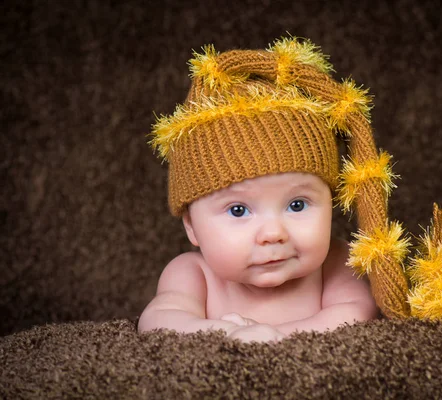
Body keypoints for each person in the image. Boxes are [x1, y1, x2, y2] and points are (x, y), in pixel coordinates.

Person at [138, 37, 413, 342]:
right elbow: (157, 319)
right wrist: (223, 333)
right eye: (238, 210)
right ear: (191, 226)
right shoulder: (192, 274)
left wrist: (271, 335)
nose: (273, 233)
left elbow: (355, 314)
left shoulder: (335, 262)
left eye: (297, 204)